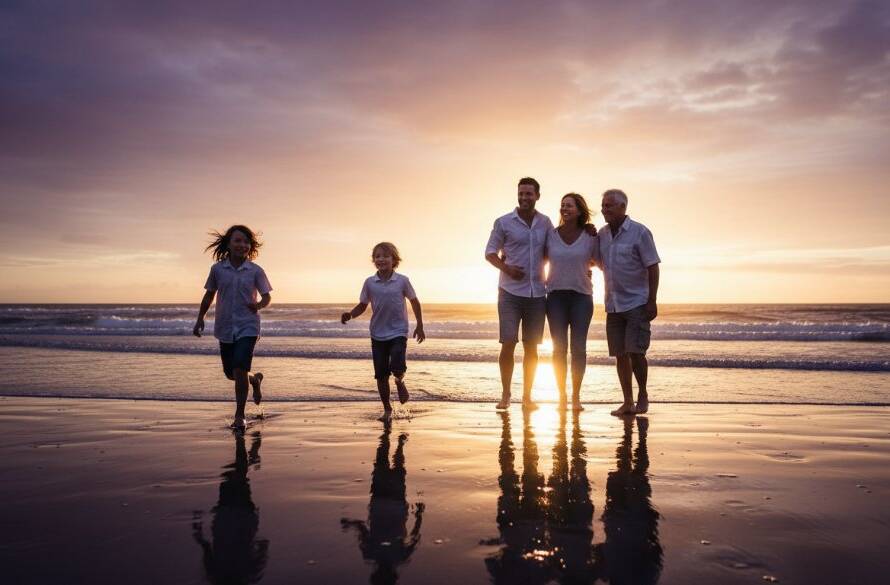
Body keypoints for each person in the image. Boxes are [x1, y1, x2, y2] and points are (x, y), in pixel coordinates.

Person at [193, 225, 272, 430]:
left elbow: (266, 297)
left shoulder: (256, 271)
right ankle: (254, 380)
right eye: (237, 240)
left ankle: (239, 416)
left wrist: (258, 305)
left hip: (248, 327)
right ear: (228, 244)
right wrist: (200, 318)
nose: (242, 245)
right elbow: (209, 295)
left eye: (246, 242)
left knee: (239, 368)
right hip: (225, 327)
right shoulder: (218, 270)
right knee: (231, 373)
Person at [485, 177, 552, 411]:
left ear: (537, 196)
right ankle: (505, 395)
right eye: (521, 193)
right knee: (508, 343)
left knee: (532, 347)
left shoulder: (545, 222)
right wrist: (507, 268)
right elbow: (490, 253)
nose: (524, 197)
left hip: (537, 293)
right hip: (509, 293)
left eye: (529, 194)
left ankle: (527, 397)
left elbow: (554, 249)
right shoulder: (504, 222)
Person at [341, 242, 425, 422]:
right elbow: (363, 305)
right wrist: (350, 314)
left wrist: (420, 325)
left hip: (398, 331)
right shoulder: (370, 283)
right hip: (377, 333)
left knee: (397, 365)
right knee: (381, 375)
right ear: (374, 260)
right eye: (377, 256)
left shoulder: (402, 280)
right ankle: (387, 410)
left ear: (394, 260)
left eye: (386, 256)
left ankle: (400, 380)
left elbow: (414, 301)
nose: (381, 259)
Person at [597, 189, 660, 416]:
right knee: (620, 354)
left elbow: (653, 266)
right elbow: (596, 260)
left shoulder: (640, 232)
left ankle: (642, 394)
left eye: (609, 206)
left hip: (636, 302)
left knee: (636, 352)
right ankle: (627, 401)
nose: (604, 210)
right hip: (613, 304)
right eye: (603, 206)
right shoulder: (602, 234)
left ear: (622, 207)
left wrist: (652, 300)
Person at [545, 193, 598, 411]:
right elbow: (535, 256)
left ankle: (576, 396)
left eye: (569, 206)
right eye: (562, 205)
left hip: (581, 297)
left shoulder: (590, 236)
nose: (565, 209)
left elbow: (599, 259)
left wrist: (585, 268)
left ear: (579, 210)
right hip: (555, 297)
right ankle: (562, 396)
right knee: (559, 349)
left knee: (579, 349)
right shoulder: (550, 235)